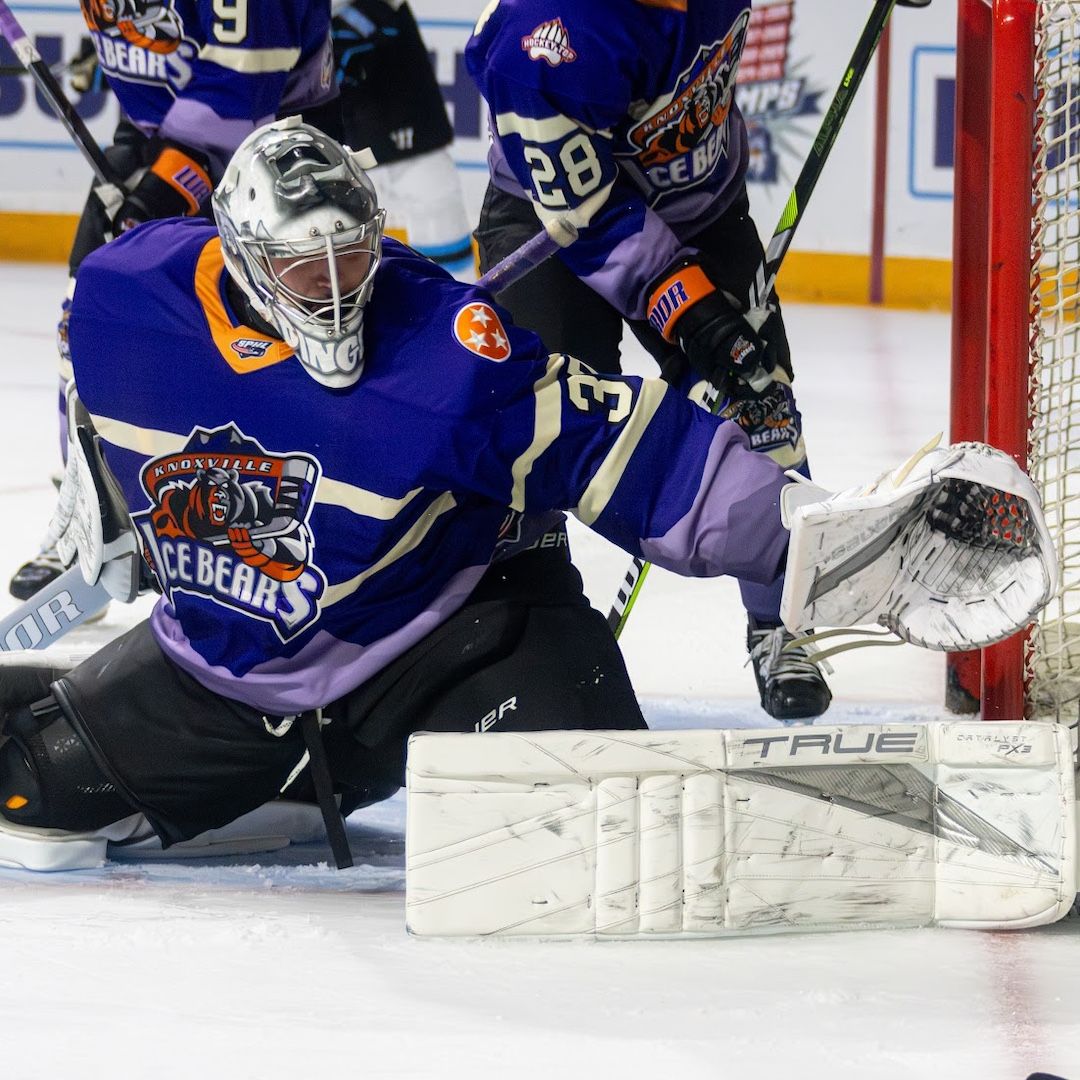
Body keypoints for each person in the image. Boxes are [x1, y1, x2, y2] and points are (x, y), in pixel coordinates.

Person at [0, 120, 1047, 873]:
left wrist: (813, 546)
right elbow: (91, 391)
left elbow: (640, 454)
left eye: (353, 255)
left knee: (614, 818)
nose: (338, 285)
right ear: (241, 259)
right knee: (30, 793)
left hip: (451, 638)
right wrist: (104, 507)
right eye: (303, 269)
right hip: (228, 677)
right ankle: (262, 779)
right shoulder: (128, 297)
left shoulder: (445, 350)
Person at [465, 0, 827, 721]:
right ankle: (519, 639)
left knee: (763, 402)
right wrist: (694, 313)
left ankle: (783, 622)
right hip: (554, 230)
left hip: (704, 209)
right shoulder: (542, 37)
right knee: (530, 434)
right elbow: (589, 216)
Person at [9, 0, 341, 604]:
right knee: (83, 320)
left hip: (278, 143)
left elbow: (238, 96)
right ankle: (92, 518)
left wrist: (157, 193)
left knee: (280, 340)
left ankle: (292, 522)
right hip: (153, 138)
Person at [332, 0, 475, 279]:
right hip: (311, 64)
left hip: (383, 61)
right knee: (328, 215)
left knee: (431, 194)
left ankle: (457, 303)